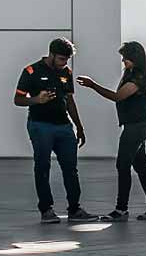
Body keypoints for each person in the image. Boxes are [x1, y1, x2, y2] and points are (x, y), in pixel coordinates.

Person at [77, 42, 146, 220]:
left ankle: (121, 209)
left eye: (126, 58)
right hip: (136, 125)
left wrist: (93, 85)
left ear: (135, 58)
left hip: (137, 127)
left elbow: (117, 97)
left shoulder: (137, 78)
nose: (123, 61)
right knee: (140, 166)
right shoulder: (132, 74)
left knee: (123, 164)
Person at [15, 37, 92, 222]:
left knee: (70, 168)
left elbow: (70, 101)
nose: (63, 63)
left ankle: (75, 209)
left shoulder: (66, 72)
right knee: (42, 166)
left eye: (66, 60)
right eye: (61, 59)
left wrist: (79, 127)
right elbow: (18, 99)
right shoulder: (31, 71)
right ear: (51, 54)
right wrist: (36, 100)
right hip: (40, 125)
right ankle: (46, 210)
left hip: (64, 127)